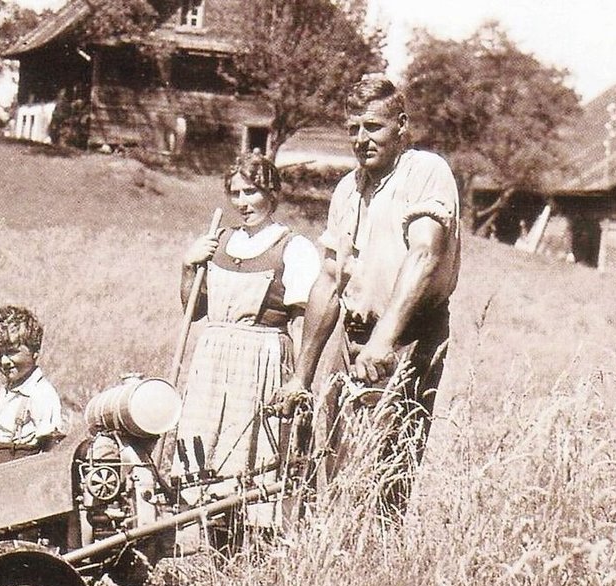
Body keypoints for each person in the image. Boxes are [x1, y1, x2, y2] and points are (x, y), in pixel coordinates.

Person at [280, 75, 461, 517]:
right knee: (337, 460)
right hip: (354, 335)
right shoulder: (348, 188)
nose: (361, 139)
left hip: (408, 336)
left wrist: (383, 341)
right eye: (353, 128)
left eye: (373, 126)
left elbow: (424, 255)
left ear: (401, 125)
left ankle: (378, 556)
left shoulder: (426, 172)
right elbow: (329, 280)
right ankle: (332, 555)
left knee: (388, 470)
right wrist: (302, 375)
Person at [174, 152, 320, 484]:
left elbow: (300, 322)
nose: (243, 202)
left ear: (273, 194)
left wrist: (299, 382)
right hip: (211, 362)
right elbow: (194, 311)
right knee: (201, 453)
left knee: (247, 459)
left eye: (251, 192)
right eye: (236, 193)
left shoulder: (293, 248)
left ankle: (249, 529)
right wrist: (188, 265)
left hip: (261, 361)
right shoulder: (219, 241)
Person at [0, 305, 66, 467]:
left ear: (35, 351)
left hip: (19, 474)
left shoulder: (40, 393)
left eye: (12, 352)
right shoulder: (9, 389)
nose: (5, 361)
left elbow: (52, 449)